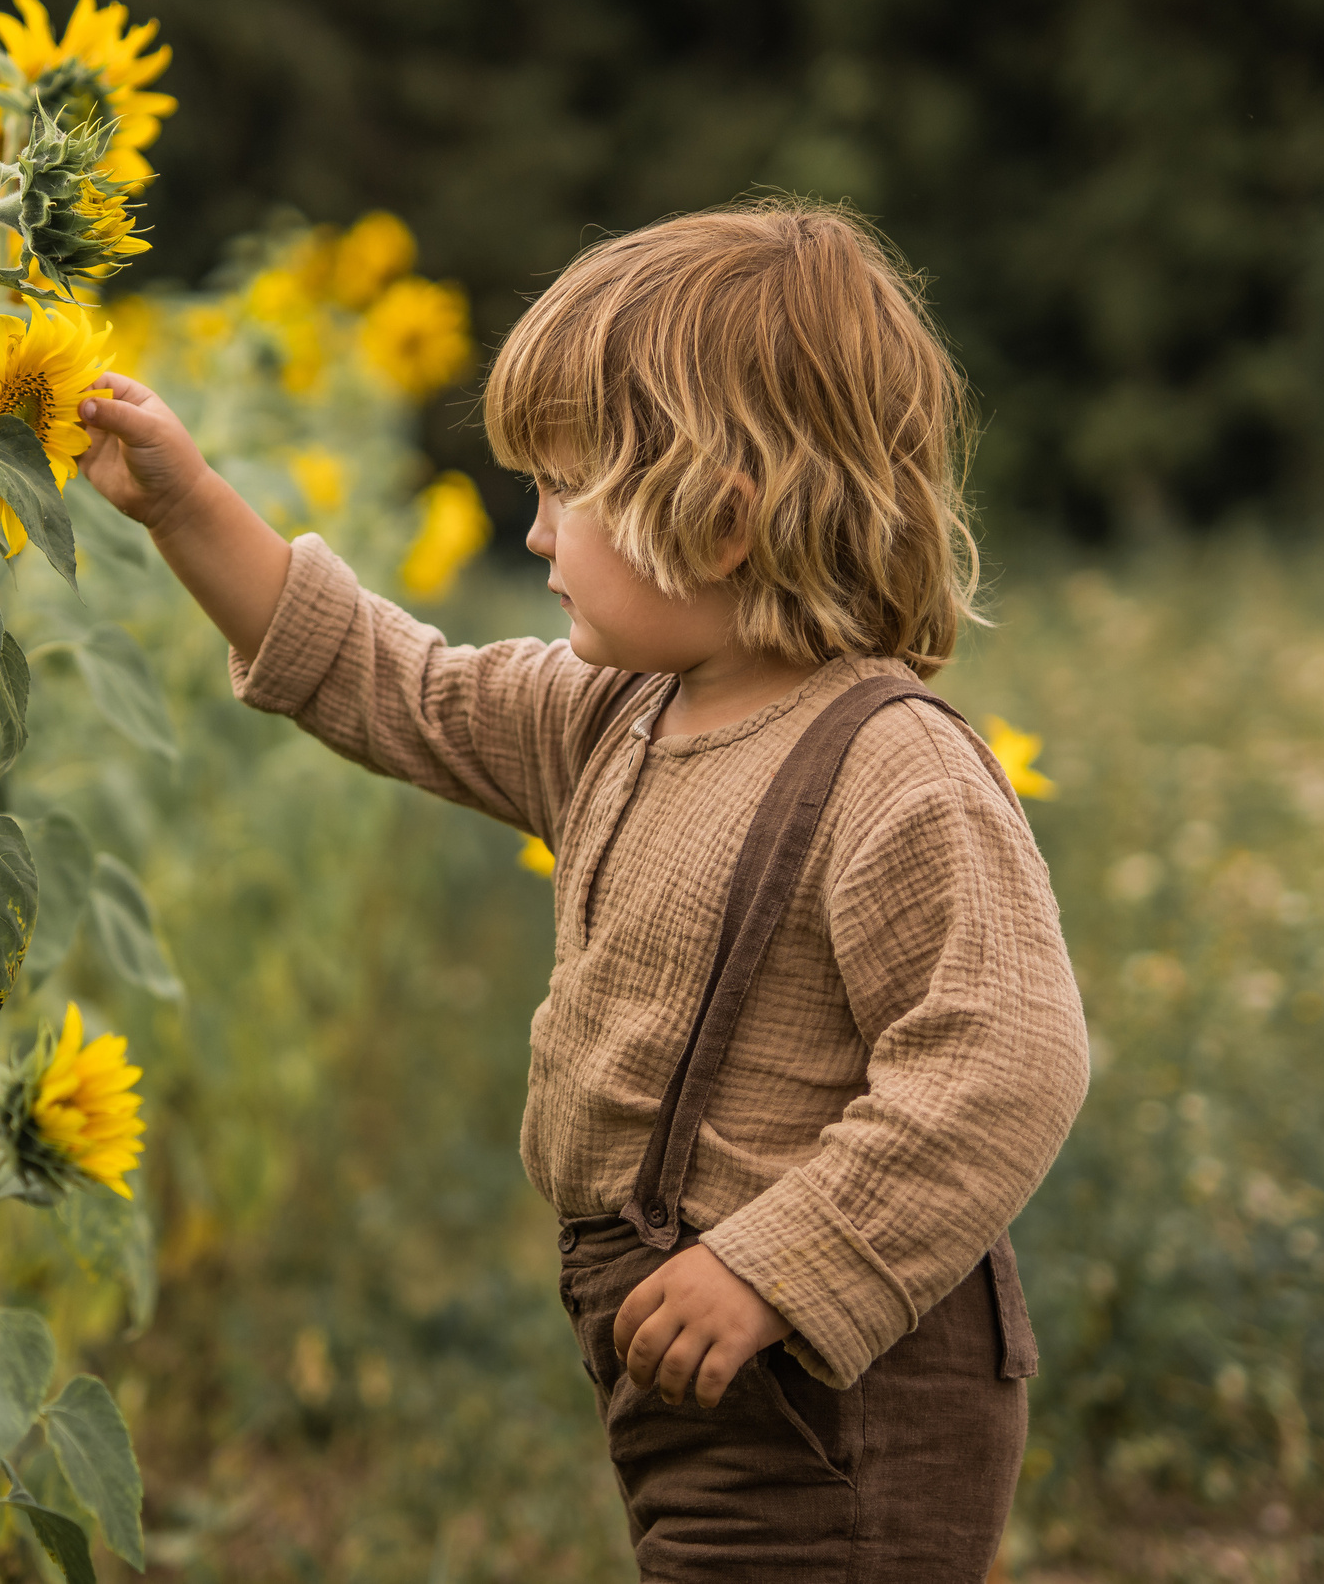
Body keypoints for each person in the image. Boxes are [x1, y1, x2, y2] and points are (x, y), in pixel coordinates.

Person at [76, 197, 1091, 1582]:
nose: (538, 534)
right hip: (694, 1349)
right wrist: (190, 508)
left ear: (720, 520)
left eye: (564, 490)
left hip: (834, 1385)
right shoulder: (615, 711)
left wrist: (775, 1267)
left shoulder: (893, 770)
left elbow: (1006, 1060)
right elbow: (394, 684)